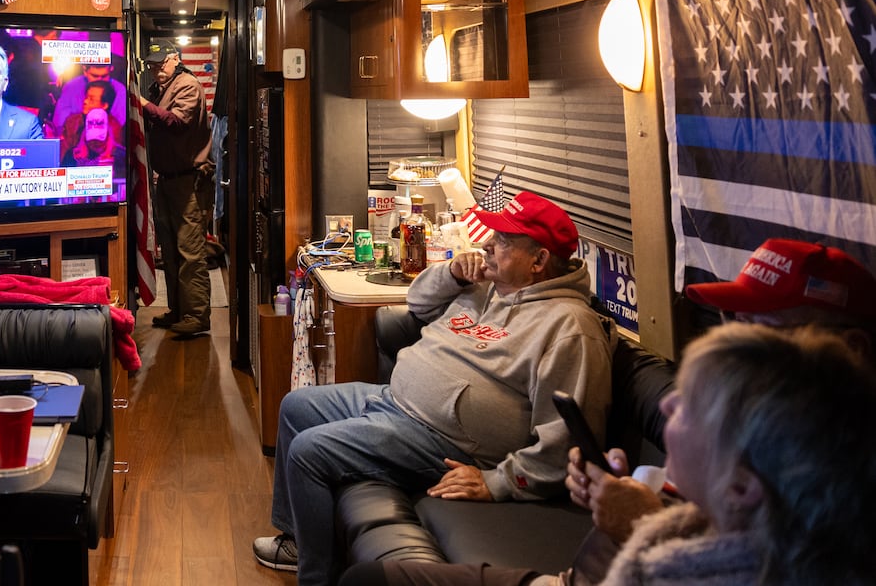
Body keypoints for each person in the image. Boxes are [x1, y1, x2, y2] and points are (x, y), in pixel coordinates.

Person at [341, 236, 876, 586]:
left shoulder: (818, 465)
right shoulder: (758, 425)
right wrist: (621, 497)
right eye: (730, 322)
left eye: (764, 333)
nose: (737, 343)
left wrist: (637, 518)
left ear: (850, 350)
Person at [254, 191, 615, 586]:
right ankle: (299, 541)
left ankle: (317, 578)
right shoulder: (489, 284)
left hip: (444, 440)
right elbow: (418, 301)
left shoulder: (570, 329)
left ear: (539, 260)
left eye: (504, 241)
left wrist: (499, 481)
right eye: (491, 235)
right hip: (395, 401)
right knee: (296, 407)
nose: (487, 245)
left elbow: (565, 445)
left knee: (309, 452)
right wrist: (453, 274)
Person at [567, 323, 874, 584]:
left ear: (740, 487)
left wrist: (637, 523)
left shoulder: (660, 574)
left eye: (691, 406)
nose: (665, 405)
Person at [141, 43, 214, 338]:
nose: (156, 70)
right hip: (169, 179)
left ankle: (197, 316)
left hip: (188, 181)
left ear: (175, 59)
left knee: (190, 251)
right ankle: (179, 310)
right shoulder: (164, 86)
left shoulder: (188, 85)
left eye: (161, 64)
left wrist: (143, 104)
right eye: (152, 65)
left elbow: (176, 122)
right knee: (170, 251)